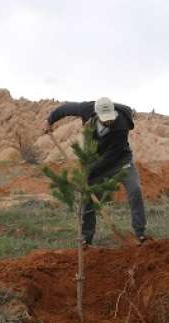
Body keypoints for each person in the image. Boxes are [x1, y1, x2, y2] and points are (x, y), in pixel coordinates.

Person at [44, 97, 147, 246]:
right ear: (97, 114)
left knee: (135, 190)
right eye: (104, 119)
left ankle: (140, 233)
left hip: (120, 160)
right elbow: (65, 109)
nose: (108, 121)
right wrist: (50, 120)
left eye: (110, 117)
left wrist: (89, 172)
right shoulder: (87, 109)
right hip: (96, 160)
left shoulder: (121, 124)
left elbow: (112, 156)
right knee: (88, 197)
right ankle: (86, 240)